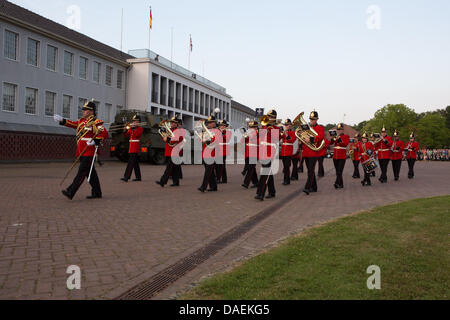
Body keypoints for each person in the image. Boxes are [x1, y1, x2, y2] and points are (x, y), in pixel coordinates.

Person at [54, 101, 109, 200]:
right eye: (83, 110)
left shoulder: (96, 122)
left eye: (86, 110)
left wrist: (95, 141)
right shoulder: (81, 121)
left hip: (89, 150)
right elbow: (72, 124)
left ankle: (71, 191)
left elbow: (104, 133)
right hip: (81, 151)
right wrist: (62, 120)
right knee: (90, 174)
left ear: (91, 111)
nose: (84, 111)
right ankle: (97, 192)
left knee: (81, 172)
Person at [256, 109, 281, 201]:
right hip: (263, 152)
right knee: (268, 173)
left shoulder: (276, 128)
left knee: (265, 173)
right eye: (268, 116)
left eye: (271, 117)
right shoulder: (264, 127)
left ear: (274, 119)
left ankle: (260, 193)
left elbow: (276, 139)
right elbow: (260, 139)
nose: (269, 118)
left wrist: (270, 128)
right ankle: (272, 191)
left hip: (270, 152)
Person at [156, 117, 184, 187]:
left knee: (169, 167)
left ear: (177, 124)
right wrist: (164, 137)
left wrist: (168, 139)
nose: (172, 124)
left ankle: (163, 181)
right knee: (175, 168)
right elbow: (165, 137)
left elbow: (178, 138)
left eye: (174, 123)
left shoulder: (179, 131)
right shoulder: (169, 130)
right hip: (169, 150)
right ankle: (176, 182)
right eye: (171, 122)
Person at [302, 110, 325, 195]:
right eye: (311, 119)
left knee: (311, 171)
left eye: (314, 119)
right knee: (309, 170)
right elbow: (302, 136)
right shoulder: (306, 127)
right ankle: (314, 187)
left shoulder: (320, 128)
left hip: (313, 152)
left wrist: (311, 139)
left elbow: (321, 136)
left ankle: (307, 187)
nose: (312, 121)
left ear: (317, 119)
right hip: (306, 152)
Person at [198, 115, 221, 192]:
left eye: (211, 122)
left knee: (208, 171)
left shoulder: (217, 131)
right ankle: (214, 186)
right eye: (208, 123)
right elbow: (200, 140)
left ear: (214, 123)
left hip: (212, 153)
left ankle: (203, 187)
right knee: (210, 172)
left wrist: (207, 140)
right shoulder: (206, 130)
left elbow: (216, 140)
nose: (209, 124)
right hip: (205, 153)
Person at [121, 115, 143, 182]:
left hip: (135, 146)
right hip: (131, 146)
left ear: (139, 122)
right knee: (135, 163)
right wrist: (125, 130)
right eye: (134, 121)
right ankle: (138, 177)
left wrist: (133, 128)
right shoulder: (131, 128)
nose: (134, 122)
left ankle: (126, 177)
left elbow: (137, 135)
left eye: (136, 121)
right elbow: (127, 135)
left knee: (130, 162)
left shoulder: (140, 128)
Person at [329, 123, 350, 189]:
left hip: (342, 156)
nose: (339, 131)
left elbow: (345, 144)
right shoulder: (335, 136)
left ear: (343, 130)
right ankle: (341, 184)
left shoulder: (346, 136)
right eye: (338, 130)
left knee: (339, 171)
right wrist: (332, 139)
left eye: (340, 129)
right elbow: (331, 143)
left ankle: (336, 183)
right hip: (335, 156)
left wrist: (339, 140)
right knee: (337, 171)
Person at [242, 121, 259, 189]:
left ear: (256, 127)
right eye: (250, 127)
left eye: (252, 127)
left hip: (254, 152)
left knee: (250, 168)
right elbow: (242, 141)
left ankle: (246, 183)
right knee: (252, 168)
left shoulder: (258, 133)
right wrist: (244, 136)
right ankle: (256, 182)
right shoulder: (248, 133)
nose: (251, 128)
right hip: (248, 152)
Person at [280, 119, 296, 185]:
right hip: (283, 152)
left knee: (287, 166)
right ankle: (285, 180)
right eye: (285, 125)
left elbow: (292, 140)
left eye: (288, 125)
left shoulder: (293, 133)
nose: (286, 126)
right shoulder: (283, 132)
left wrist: (286, 135)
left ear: (290, 126)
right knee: (285, 167)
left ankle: (287, 180)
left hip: (289, 152)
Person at [216, 120, 232, 184]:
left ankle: (218, 178)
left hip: (224, 150)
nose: (221, 127)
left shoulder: (228, 132)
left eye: (223, 125)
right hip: (218, 149)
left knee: (220, 165)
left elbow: (227, 139)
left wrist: (222, 133)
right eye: (220, 125)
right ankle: (224, 179)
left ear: (225, 126)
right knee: (221, 165)